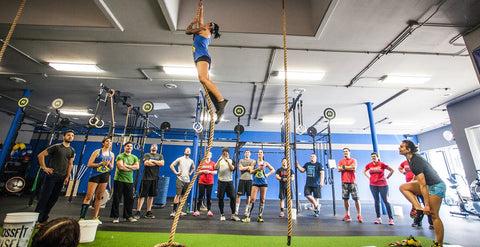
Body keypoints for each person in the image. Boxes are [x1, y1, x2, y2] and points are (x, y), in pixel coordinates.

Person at [185, 1, 227, 124]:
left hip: (203, 57)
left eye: (210, 23)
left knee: (203, 78)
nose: (208, 22)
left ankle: (221, 100)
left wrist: (192, 23)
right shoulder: (204, 30)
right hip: (201, 57)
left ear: (211, 27)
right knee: (205, 83)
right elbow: (200, 20)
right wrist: (201, 8)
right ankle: (218, 107)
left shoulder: (204, 30)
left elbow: (188, 31)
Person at [399, 140, 446, 247]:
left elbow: (423, 185)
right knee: (404, 187)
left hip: (436, 186)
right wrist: (412, 184)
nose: (399, 148)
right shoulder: (410, 159)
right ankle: (418, 208)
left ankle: (439, 243)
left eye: (401, 147)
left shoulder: (415, 161)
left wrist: (427, 205)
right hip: (427, 184)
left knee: (434, 215)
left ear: (408, 149)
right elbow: (418, 175)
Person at [35, 130, 75, 224]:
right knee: (44, 197)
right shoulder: (56, 147)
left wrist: (67, 177)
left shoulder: (71, 150)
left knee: (53, 199)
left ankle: (44, 218)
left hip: (62, 177)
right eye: (68, 135)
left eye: (72, 136)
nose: (70, 137)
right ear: (63, 137)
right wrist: (44, 168)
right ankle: (37, 219)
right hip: (52, 176)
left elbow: (70, 164)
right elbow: (41, 155)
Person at [79, 137, 114, 224]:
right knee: (89, 196)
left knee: (99, 197)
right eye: (107, 141)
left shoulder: (112, 154)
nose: (109, 143)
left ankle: (95, 217)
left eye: (110, 141)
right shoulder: (97, 152)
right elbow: (89, 164)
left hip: (105, 175)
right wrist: (101, 164)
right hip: (95, 175)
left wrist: (109, 164)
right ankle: (82, 217)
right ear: (103, 143)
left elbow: (112, 167)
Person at [110, 141, 139, 223]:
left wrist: (128, 166)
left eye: (130, 146)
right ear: (124, 147)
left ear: (132, 148)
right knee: (117, 199)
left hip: (129, 181)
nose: (129, 147)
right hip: (119, 180)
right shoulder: (120, 156)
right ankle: (115, 217)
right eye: (128, 146)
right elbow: (121, 167)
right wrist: (130, 168)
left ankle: (128, 216)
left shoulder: (134, 157)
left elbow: (137, 167)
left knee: (129, 199)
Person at [399, 160, 434, 229]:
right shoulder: (404, 162)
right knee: (416, 205)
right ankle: (417, 221)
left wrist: (413, 180)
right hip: (410, 185)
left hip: (419, 184)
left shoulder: (417, 161)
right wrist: (404, 173)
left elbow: (419, 173)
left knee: (426, 203)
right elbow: (400, 168)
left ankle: (431, 223)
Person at [242, 150, 274, 223]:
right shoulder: (254, 162)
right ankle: (248, 217)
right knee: (252, 199)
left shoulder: (265, 163)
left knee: (262, 200)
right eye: (258, 152)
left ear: (263, 154)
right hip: (255, 182)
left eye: (261, 152)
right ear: (257, 154)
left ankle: (259, 216)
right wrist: (257, 169)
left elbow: (273, 170)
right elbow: (251, 171)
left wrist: (267, 175)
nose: (259, 153)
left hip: (263, 182)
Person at [363, 152, 395, 225]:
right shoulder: (369, 165)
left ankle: (390, 219)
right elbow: (364, 171)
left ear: (377, 157)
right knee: (376, 201)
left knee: (386, 201)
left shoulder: (382, 164)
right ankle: (378, 218)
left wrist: (387, 177)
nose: (373, 158)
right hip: (373, 185)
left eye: (374, 156)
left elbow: (392, 170)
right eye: (372, 157)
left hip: (383, 185)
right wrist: (369, 177)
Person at [135, 144, 164, 219]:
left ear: (157, 148)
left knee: (151, 196)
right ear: (151, 148)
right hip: (146, 178)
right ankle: (138, 211)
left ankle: (148, 212)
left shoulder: (160, 155)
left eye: (155, 146)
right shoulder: (147, 154)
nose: (154, 147)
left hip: (154, 178)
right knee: (142, 195)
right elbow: (146, 163)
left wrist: (153, 161)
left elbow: (162, 163)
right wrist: (156, 163)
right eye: (152, 146)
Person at [214, 147, 240, 221]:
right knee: (221, 198)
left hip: (229, 181)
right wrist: (219, 160)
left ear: (228, 153)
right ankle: (222, 214)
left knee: (233, 197)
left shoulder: (232, 160)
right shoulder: (220, 160)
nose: (225, 153)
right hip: (221, 181)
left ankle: (233, 215)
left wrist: (227, 161)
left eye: (226, 152)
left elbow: (232, 168)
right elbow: (215, 168)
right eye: (223, 152)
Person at [338, 147, 363, 223]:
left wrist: (344, 167)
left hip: (352, 182)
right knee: (345, 199)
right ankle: (347, 215)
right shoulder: (341, 161)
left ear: (349, 152)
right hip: (344, 182)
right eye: (344, 152)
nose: (345, 153)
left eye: (346, 151)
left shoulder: (353, 160)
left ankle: (359, 215)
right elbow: (339, 169)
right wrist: (348, 167)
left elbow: (353, 168)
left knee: (356, 199)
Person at [170, 147, 195, 217]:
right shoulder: (180, 159)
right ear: (184, 151)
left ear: (190, 153)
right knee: (177, 195)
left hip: (187, 180)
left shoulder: (191, 161)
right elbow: (171, 165)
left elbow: (193, 168)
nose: (187, 151)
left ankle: (180, 210)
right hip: (180, 179)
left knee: (183, 196)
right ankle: (174, 211)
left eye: (189, 151)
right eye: (186, 150)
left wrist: (190, 173)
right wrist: (176, 172)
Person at [193, 152, 216, 217]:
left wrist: (209, 172)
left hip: (210, 182)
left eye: (209, 155)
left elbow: (215, 172)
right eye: (207, 154)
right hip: (202, 181)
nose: (208, 156)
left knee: (209, 196)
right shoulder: (202, 162)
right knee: (200, 196)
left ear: (211, 156)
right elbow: (197, 171)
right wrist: (203, 171)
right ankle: (197, 210)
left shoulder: (213, 163)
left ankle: (209, 210)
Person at [235, 150, 255, 217]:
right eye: (246, 152)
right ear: (244, 154)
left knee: (248, 196)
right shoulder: (241, 160)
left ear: (250, 154)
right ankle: (236, 210)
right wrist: (247, 167)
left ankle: (246, 211)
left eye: (248, 152)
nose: (247, 153)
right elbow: (240, 169)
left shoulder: (253, 161)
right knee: (239, 195)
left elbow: (251, 169)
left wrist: (245, 168)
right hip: (242, 179)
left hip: (249, 180)